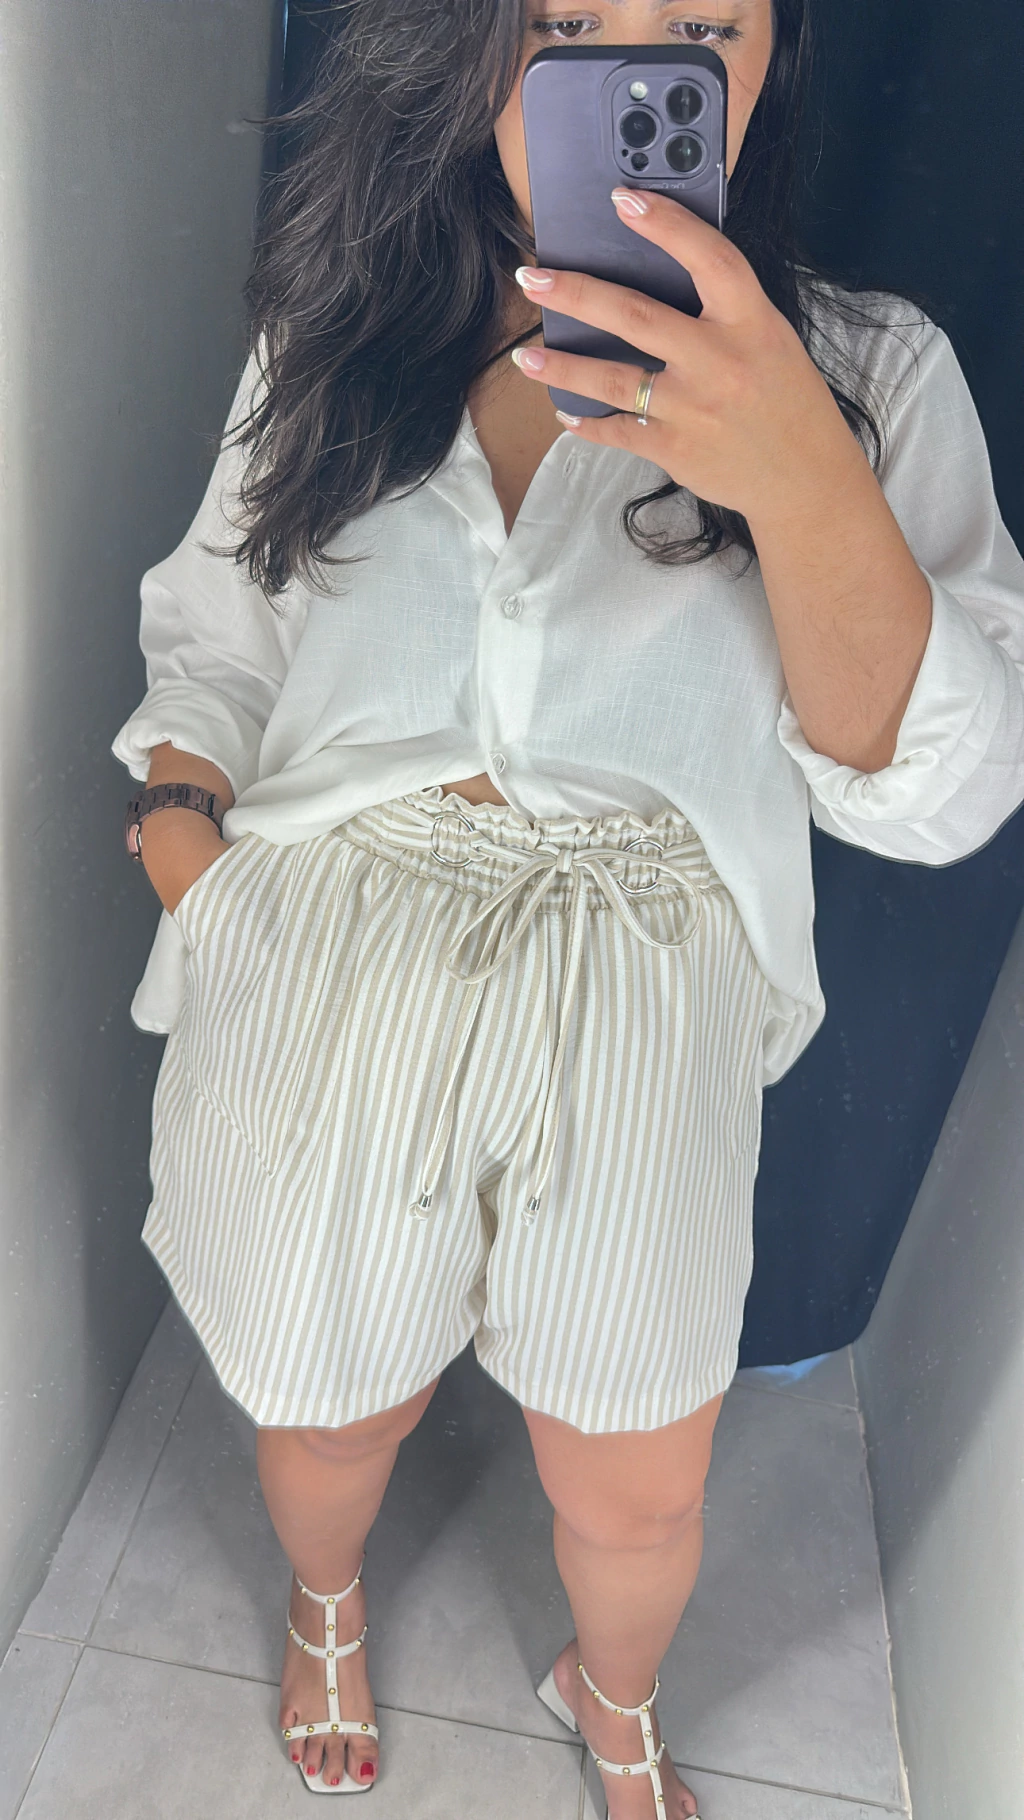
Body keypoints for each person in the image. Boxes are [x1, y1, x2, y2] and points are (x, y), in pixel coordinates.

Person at [112, 0, 1024, 1812]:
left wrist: (796, 463)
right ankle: (323, 1605)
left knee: (639, 1480)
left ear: (765, 59)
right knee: (327, 1404)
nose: (628, 69)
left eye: (697, 26)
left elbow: (941, 793)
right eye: (566, 25)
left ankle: (615, 1701)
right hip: (324, 947)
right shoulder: (345, 316)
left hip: (647, 982)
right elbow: (219, 625)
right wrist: (187, 854)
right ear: (474, 48)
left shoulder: (869, 372)